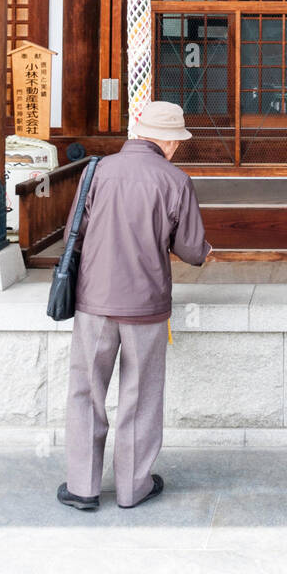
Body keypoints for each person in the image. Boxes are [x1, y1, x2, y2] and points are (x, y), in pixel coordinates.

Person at [57, 101, 211, 512]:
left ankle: (83, 487)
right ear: (169, 141)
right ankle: (131, 486)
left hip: (94, 301)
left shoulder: (97, 171)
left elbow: (77, 229)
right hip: (146, 305)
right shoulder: (175, 180)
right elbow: (193, 251)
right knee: (140, 394)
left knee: (85, 390)